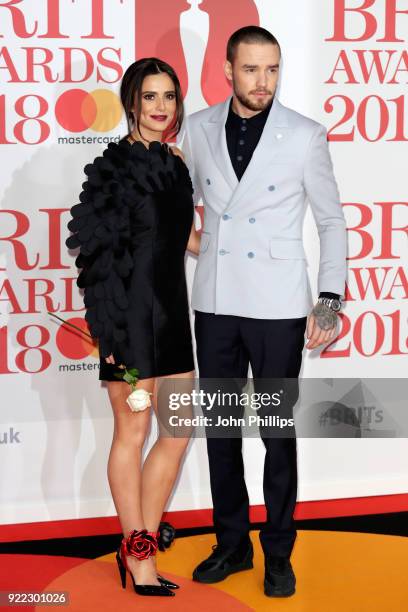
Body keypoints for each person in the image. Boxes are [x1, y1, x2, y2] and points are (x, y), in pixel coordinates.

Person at [179, 26, 347, 597]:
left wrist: (329, 297)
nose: (263, 82)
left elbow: (330, 221)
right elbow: (179, 207)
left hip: (278, 305)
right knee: (222, 432)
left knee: (277, 434)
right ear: (228, 69)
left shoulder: (304, 134)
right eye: (251, 70)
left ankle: (278, 551)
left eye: (272, 70)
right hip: (218, 298)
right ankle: (231, 543)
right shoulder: (197, 128)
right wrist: (192, 243)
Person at [66, 57, 200, 598]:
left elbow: (185, 239)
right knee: (134, 433)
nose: (161, 107)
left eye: (169, 97)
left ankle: (137, 541)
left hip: (173, 312)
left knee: (178, 430)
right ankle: (140, 556)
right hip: (129, 319)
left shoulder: (177, 162)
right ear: (131, 101)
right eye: (150, 97)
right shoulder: (114, 167)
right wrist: (112, 332)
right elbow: (96, 255)